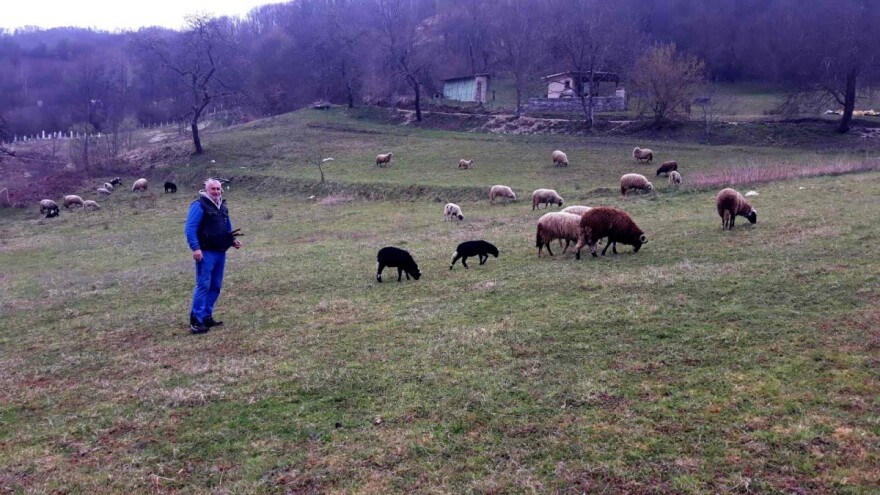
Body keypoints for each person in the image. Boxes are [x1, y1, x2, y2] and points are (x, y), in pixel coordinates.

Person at [184, 178, 242, 334]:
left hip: (220, 251)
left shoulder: (222, 207)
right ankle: (196, 321)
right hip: (206, 252)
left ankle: (206, 316)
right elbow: (190, 228)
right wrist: (195, 248)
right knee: (203, 285)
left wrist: (233, 241)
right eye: (213, 189)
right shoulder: (199, 205)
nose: (216, 191)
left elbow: (227, 228)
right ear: (206, 190)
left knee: (215, 285)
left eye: (218, 189)